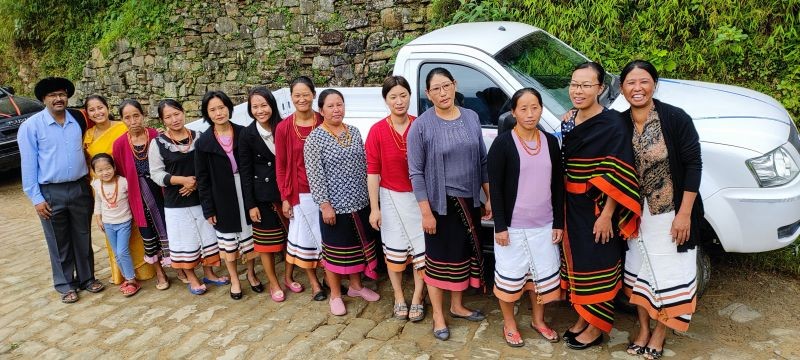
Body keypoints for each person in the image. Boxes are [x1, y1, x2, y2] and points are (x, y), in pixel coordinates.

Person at [619, 60, 702, 360]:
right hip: (635, 217)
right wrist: (572, 115)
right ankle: (643, 328)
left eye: (644, 82)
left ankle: (660, 331)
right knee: (639, 272)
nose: (637, 88)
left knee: (668, 273)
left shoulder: (675, 118)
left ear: (654, 84)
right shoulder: (619, 122)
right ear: (622, 88)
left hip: (670, 213)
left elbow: (694, 165)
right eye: (631, 83)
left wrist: (685, 214)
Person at [559, 62, 641, 350]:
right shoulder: (569, 120)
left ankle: (597, 327)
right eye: (574, 84)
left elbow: (618, 173)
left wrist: (607, 215)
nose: (577, 91)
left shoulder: (613, 125)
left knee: (599, 264)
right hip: (572, 205)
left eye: (585, 85)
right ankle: (583, 317)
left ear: (601, 89)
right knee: (578, 263)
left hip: (598, 208)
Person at [407, 67, 492, 341]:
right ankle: (438, 315)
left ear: (455, 85)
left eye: (446, 86)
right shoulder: (421, 126)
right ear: (427, 93)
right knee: (438, 261)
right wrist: (425, 212)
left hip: (469, 201)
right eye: (436, 89)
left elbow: (481, 160)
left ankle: (457, 306)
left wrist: (487, 196)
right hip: (440, 206)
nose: (442, 93)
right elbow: (416, 172)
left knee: (461, 257)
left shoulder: (471, 117)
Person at [488, 88, 564, 346]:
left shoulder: (551, 143)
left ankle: (538, 320)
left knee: (539, 279)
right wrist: (500, 226)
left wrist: (558, 223)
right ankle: (509, 324)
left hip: (544, 226)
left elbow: (557, 185)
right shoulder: (503, 144)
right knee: (511, 279)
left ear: (541, 109)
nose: (530, 114)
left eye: (535, 107)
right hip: (512, 226)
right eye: (523, 109)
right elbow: (495, 187)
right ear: (513, 112)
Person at [18, 77, 104, 303]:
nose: (58, 99)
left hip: (79, 187)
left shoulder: (77, 119)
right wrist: (36, 198)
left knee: (82, 235)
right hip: (50, 191)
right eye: (52, 95)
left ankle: (87, 278)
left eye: (62, 94)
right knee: (58, 240)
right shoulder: (31, 127)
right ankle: (65, 284)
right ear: (44, 99)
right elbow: (28, 165)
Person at [305, 89, 380, 316]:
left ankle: (356, 287)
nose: (337, 109)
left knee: (356, 250)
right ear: (321, 110)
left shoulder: (354, 132)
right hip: (334, 208)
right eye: (331, 106)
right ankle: (336, 294)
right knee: (336, 253)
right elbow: (314, 175)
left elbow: (367, 164)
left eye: (340, 104)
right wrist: (324, 205)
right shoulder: (314, 139)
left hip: (359, 203)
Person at [147, 99, 227, 295]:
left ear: (183, 112)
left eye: (177, 113)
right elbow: (156, 173)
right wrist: (181, 180)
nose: (174, 119)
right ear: (162, 120)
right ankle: (192, 277)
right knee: (185, 240)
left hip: (202, 198)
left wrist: (195, 182)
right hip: (176, 202)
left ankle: (209, 272)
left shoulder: (199, 137)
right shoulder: (157, 144)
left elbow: (210, 166)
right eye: (168, 117)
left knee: (207, 235)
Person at [365, 75, 426, 321]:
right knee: (395, 252)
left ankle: (419, 296)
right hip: (390, 198)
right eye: (393, 97)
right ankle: (399, 296)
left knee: (422, 251)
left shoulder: (420, 125)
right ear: (386, 100)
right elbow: (373, 173)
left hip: (418, 198)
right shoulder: (377, 131)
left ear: (410, 96)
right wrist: (374, 208)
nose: (399, 101)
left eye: (403, 95)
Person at [83, 95, 161, 286]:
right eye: (91, 110)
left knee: (139, 226)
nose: (97, 112)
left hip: (129, 184)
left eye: (100, 107)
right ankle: (123, 273)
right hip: (106, 189)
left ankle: (146, 269)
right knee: (116, 233)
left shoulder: (121, 127)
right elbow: (88, 164)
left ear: (107, 108)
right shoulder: (89, 136)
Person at [195, 90, 260, 300]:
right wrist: (208, 208)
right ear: (207, 114)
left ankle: (251, 273)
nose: (218, 113)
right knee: (229, 241)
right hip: (221, 196)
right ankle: (234, 279)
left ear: (229, 108)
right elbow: (202, 178)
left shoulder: (244, 133)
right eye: (212, 110)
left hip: (246, 190)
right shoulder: (204, 142)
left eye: (221, 107)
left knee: (249, 235)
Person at [274, 76, 326, 301]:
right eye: (297, 95)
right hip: (300, 193)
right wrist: (286, 197)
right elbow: (281, 166)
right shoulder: (284, 127)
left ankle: (329, 277)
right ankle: (314, 283)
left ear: (314, 95)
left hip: (326, 191)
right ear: (291, 98)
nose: (302, 99)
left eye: (306, 94)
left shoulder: (324, 121)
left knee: (326, 238)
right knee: (305, 239)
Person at [239, 87, 291, 302]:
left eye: (264, 105)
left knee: (292, 240)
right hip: (262, 197)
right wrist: (250, 205)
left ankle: (288, 277)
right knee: (266, 245)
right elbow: (245, 172)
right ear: (250, 110)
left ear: (271, 105)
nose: (260, 110)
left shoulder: (284, 127)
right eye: (255, 107)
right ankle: (274, 282)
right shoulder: (247, 135)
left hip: (287, 193)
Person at [90, 153, 141, 296]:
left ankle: (132, 280)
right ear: (94, 172)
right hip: (108, 224)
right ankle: (127, 278)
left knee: (122, 251)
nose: (104, 172)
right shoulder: (96, 183)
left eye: (107, 168)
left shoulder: (123, 182)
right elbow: (98, 202)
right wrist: (98, 218)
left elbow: (133, 199)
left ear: (114, 167)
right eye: (99, 170)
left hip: (124, 222)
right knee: (116, 254)